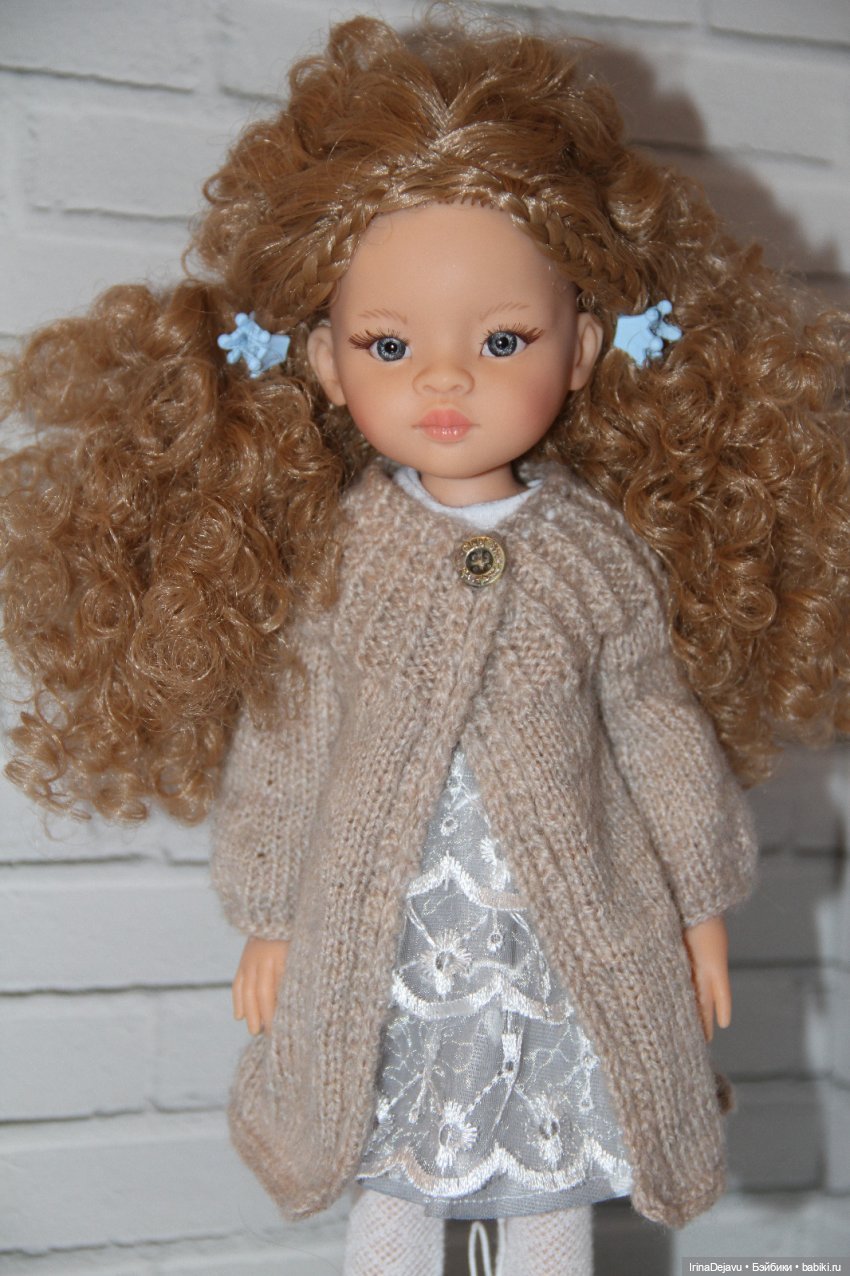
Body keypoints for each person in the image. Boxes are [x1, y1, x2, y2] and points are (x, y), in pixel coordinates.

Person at [1, 13, 848, 1276]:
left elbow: (653, 724)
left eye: (502, 341)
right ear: (325, 364)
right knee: (393, 1183)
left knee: (546, 1186)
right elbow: (290, 734)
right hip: (385, 938)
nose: (444, 381)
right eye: (390, 345)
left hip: (562, 932)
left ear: (584, 347)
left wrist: (700, 901)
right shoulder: (341, 558)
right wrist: (272, 914)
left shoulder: (594, 554)